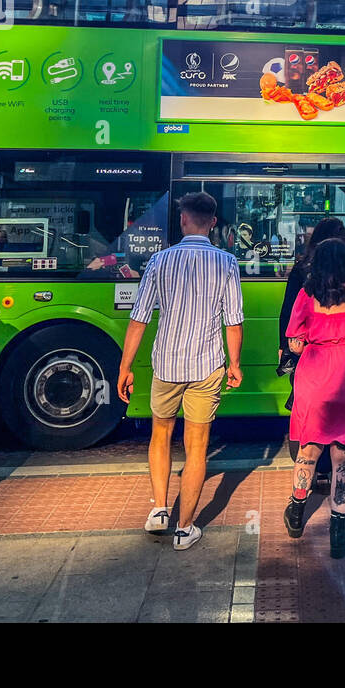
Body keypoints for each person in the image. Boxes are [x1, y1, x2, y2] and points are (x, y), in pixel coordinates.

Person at [117, 191, 244, 552]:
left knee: (161, 433)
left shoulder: (159, 261)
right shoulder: (227, 263)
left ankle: (159, 509)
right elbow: (233, 322)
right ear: (214, 222)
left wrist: (125, 367)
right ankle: (185, 528)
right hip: (207, 365)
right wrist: (234, 364)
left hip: (167, 364)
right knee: (197, 446)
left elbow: (139, 318)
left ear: (183, 219)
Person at [282, 238, 345, 559]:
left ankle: (297, 512)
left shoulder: (306, 295)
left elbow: (294, 341)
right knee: (344, 456)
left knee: (308, 450)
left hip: (314, 379)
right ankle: (338, 529)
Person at [278, 217, 345, 490]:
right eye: (343, 239)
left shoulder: (302, 269)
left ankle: (308, 477)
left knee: (307, 412)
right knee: (339, 422)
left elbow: (288, 311)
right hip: (344, 359)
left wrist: (284, 345)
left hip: (309, 354)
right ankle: (325, 472)